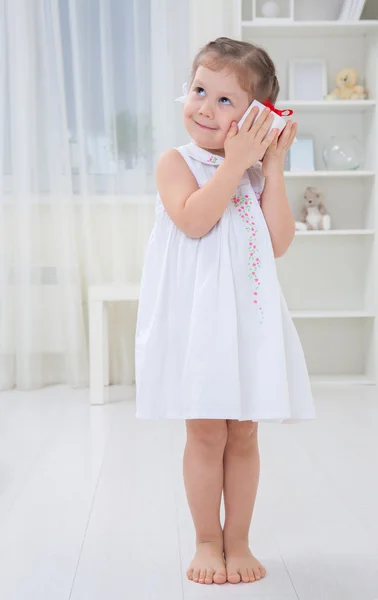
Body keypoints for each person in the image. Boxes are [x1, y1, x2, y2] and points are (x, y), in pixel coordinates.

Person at [135, 37, 316, 586]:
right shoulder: (176, 162)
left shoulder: (258, 174)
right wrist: (235, 164)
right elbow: (194, 220)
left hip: (249, 323)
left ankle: (238, 539)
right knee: (206, 434)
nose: (204, 108)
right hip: (199, 326)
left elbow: (280, 240)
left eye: (225, 101)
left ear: (256, 117)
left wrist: (273, 166)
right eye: (198, 91)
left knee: (244, 434)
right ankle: (207, 540)